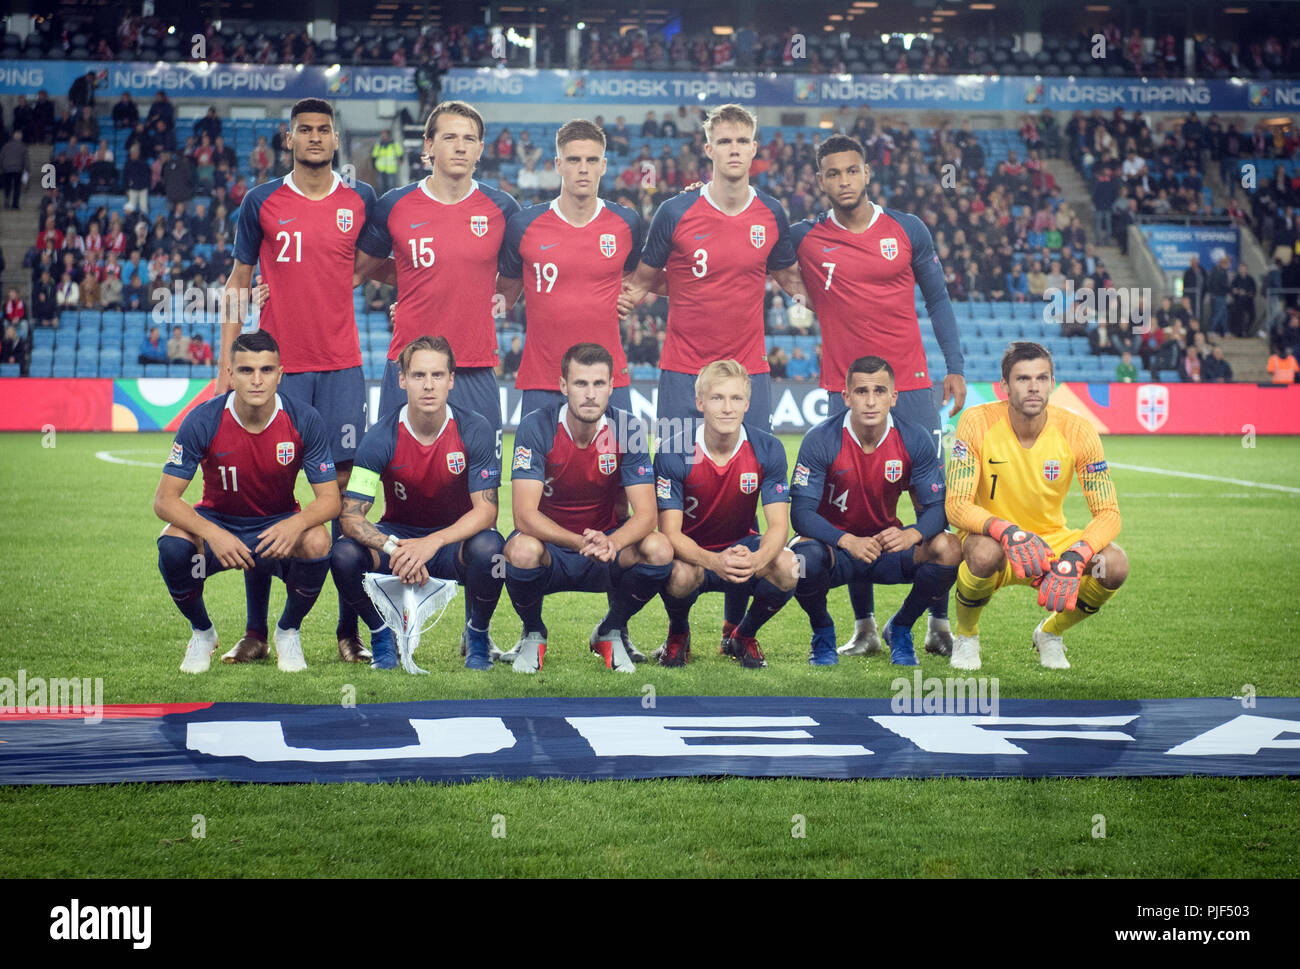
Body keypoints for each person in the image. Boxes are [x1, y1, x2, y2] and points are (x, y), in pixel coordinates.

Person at [790, 133, 963, 657]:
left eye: (852, 171)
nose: (844, 181)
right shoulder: (806, 237)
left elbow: (937, 298)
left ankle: (935, 621)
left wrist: (953, 367)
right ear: (820, 181)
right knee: (850, 508)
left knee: (929, 504)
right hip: (843, 388)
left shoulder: (907, 229)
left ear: (867, 174)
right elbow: (750, 232)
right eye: (832, 174)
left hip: (909, 385)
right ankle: (864, 627)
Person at [222, 97, 377, 664]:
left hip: (341, 369)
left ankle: (348, 633)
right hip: (277, 370)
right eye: (304, 130)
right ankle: (258, 632)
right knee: (266, 497)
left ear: (336, 140)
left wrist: (346, 279)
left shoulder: (360, 200)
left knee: (343, 506)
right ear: (289, 139)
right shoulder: (261, 201)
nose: (314, 137)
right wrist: (225, 369)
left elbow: (384, 260)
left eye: (324, 130)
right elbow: (238, 284)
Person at [153, 330, 340, 673]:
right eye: (246, 371)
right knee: (173, 546)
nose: (257, 380)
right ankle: (202, 632)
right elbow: (165, 500)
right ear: (230, 374)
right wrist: (213, 533)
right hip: (219, 523)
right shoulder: (203, 419)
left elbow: (330, 501)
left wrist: (296, 523)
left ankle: (287, 632)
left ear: (280, 374)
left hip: (277, 527)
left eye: (266, 370)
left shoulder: (303, 419)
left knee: (317, 539)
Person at [620, 103, 809, 432]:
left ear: (754, 148)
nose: (733, 149)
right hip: (684, 371)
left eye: (741, 140)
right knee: (673, 475)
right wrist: (617, 297)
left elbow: (792, 280)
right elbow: (641, 281)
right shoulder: (674, 211)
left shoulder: (772, 212)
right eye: (724, 142)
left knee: (751, 477)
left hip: (748, 371)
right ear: (709, 149)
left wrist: (844, 305)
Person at [944, 341, 1128, 671]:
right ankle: (966, 636)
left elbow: (1109, 513)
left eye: (1042, 378)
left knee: (1113, 565)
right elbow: (956, 506)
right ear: (1003, 386)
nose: (1034, 387)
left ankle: (1049, 633)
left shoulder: (1078, 429)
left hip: (1050, 543)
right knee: (984, 554)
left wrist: (1077, 555)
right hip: (995, 541)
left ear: (1052, 384)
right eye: (1023, 379)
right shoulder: (976, 422)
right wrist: (1008, 532)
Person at [330, 336, 505, 670]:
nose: (428, 385)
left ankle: (478, 635)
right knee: (342, 552)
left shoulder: (474, 429)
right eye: (418, 375)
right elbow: (351, 516)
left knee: (492, 548)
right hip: (399, 542)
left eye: (437, 376)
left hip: (453, 543)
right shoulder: (380, 436)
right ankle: (381, 633)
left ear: (451, 380)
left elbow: (486, 510)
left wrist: (432, 542)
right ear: (402, 380)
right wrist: (396, 549)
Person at [502, 342, 672, 673]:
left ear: (612, 386)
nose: (590, 393)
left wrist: (613, 542)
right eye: (581, 383)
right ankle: (534, 632)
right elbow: (524, 515)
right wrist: (580, 542)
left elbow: (648, 514)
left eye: (598, 384)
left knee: (660, 548)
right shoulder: (537, 426)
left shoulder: (628, 428)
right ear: (564, 386)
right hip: (551, 549)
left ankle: (610, 630)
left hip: (608, 551)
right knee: (520, 551)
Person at [355, 100, 518, 427]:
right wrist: (416, 286)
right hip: (409, 366)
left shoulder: (503, 209)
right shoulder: (394, 205)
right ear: (428, 145)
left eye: (469, 139)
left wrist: (474, 303)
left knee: (480, 477)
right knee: (400, 471)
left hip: (474, 366)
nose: (460, 147)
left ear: (480, 149)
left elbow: (513, 282)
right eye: (450, 138)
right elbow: (359, 270)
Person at [789, 356, 960, 667]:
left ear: (893, 397)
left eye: (880, 391)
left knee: (949, 548)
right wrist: (845, 540)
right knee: (799, 560)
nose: (870, 401)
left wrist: (913, 533)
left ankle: (901, 627)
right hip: (834, 550)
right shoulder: (821, 438)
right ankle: (823, 632)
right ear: (846, 396)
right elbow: (801, 514)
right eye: (861, 392)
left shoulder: (913, 438)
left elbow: (937, 508)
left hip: (886, 548)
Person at [653, 360, 799, 668]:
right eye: (717, 398)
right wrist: (714, 562)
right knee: (678, 574)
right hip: (692, 555)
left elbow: (777, 527)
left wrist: (756, 561)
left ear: (747, 403)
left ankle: (742, 635)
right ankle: (678, 632)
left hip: (743, 548)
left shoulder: (768, 448)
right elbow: (670, 533)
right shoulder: (673, 450)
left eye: (735, 399)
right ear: (700, 402)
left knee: (790, 566)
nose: (727, 408)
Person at [498, 119, 641, 417]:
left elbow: (638, 278)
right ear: (558, 164)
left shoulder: (627, 223)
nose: (583, 168)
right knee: (536, 465)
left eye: (591, 160)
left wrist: (631, 295)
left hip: (608, 379)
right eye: (574, 159)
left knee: (621, 463)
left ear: (603, 165)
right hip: (543, 377)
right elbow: (503, 295)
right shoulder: (524, 225)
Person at [1, 130, 27, 209]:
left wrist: (1, 168)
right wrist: (27, 170)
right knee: (17, 188)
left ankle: (6, 201)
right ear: (20, 138)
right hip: (18, 169)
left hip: (7, 169)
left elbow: (1, 157)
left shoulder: (6, 146)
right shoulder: (23, 146)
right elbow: (26, 159)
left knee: (7, 187)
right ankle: (15, 205)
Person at [371, 128, 401, 195]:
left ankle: (391, 198)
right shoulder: (379, 145)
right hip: (380, 168)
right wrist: (373, 166)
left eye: (384, 135)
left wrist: (400, 161)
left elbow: (400, 154)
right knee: (380, 185)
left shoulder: (394, 144)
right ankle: (381, 198)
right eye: (382, 135)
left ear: (389, 135)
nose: (383, 136)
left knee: (391, 185)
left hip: (391, 169)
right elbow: (374, 156)